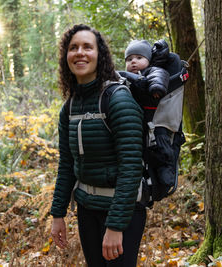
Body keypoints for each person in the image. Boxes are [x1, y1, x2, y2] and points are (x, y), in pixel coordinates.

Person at [50, 24, 146, 266]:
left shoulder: (118, 99)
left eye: (87, 47)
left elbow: (132, 166)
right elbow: (66, 164)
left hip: (121, 212)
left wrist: (115, 226)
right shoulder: (70, 107)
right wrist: (57, 214)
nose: (80, 53)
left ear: (99, 55)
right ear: (66, 57)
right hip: (86, 210)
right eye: (73, 48)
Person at [120, 40, 182, 205]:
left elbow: (159, 78)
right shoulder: (126, 80)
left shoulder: (152, 71)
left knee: (162, 151)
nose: (133, 61)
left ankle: (167, 176)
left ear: (148, 60)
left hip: (157, 122)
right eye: (129, 59)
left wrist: (156, 88)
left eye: (139, 57)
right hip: (141, 124)